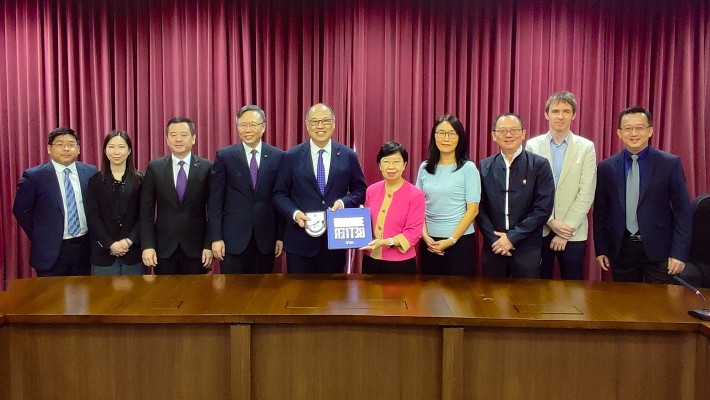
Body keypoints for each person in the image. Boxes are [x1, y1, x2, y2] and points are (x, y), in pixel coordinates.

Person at [593, 106, 691, 283]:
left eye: (639, 128)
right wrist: (601, 248)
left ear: (650, 131)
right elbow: (600, 211)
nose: (634, 133)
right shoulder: (607, 167)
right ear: (619, 133)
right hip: (621, 248)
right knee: (625, 307)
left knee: (657, 306)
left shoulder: (669, 163)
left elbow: (683, 211)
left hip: (659, 249)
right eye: (628, 129)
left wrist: (679, 253)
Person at [273, 103, 367, 273]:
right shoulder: (291, 156)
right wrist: (294, 214)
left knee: (332, 296)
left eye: (325, 121)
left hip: (334, 242)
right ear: (307, 125)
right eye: (315, 121)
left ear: (334, 123)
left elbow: (360, 190)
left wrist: (343, 202)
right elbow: (279, 194)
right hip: (299, 241)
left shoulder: (348, 156)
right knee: (299, 296)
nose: (320, 126)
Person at [526, 91, 597, 280]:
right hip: (541, 228)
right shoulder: (532, 146)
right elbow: (529, 191)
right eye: (555, 111)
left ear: (574, 115)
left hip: (573, 231)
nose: (560, 116)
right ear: (546, 114)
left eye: (566, 111)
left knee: (573, 290)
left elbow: (586, 192)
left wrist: (565, 230)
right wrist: (549, 221)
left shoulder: (586, 147)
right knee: (538, 291)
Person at [209, 105, 285, 274]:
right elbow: (215, 201)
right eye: (243, 125)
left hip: (266, 239)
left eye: (253, 124)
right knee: (233, 293)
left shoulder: (278, 156)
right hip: (232, 240)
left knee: (263, 293)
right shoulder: (225, 156)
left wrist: (280, 236)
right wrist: (216, 237)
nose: (247, 129)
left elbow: (280, 198)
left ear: (263, 127)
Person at [477, 113, 554, 278]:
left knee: (526, 300)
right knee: (491, 300)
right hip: (494, 246)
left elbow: (542, 209)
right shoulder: (485, 166)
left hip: (527, 247)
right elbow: (479, 208)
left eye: (514, 130)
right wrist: (495, 240)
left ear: (524, 133)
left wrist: (512, 238)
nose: (509, 135)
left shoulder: (539, 165)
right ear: (494, 135)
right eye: (503, 131)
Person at [13, 127, 97, 276]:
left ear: (78, 149)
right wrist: (42, 234)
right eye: (60, 144)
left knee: (83, 296)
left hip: (84, 248)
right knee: (52, 297)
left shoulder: (90, 172)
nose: (66, 148)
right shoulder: (35, 176)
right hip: (51, 250)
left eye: (71, 144)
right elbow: (21, 210)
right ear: (49, 149)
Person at [140, 117, 213, 274]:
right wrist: (148, 245)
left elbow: (213, 211)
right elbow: (146, 210)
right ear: (167, 139)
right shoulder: (155, 167)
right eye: (173, 135)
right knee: (165, 297)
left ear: (193, 138)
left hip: (197, 249)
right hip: (164, 249)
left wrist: (209, 245)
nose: (178, 139)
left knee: (196, 296)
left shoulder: (207, 167)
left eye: (183, 134)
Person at [416, 115, 480, 276]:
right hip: (429, 241)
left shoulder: (468, 168)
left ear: (459, 138)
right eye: (441, 133)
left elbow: (472, 210)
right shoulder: (424, 167)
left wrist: (451, 240)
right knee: (429, 294)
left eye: (451, 134)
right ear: (434, 136)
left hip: (459, 241)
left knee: (458, 296)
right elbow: (418, 206)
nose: (446, 138)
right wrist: (425, 236)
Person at [360, 142, 425, 274]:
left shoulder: (415, 195)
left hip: (401, 264)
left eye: (396, 162)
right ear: (379, 165)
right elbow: (366, 223)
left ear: (404, 165)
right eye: (386, 162)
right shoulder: (371, 190)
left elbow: (413, 232)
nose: (391, 167)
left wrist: (385, 242)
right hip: (371, 260)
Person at [87, 131, 145, 275]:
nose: (116, 152)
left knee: (135, 297)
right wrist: (109, 243)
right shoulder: (95, 181)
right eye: (111, 147)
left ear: (129, 150)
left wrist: (129, 241)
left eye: (121, 147)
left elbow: (145, 215)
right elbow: (93, 216)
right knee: (104, 297)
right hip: (103, 254)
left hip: (133, 253)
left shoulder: (141, 180)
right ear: (105, 151)